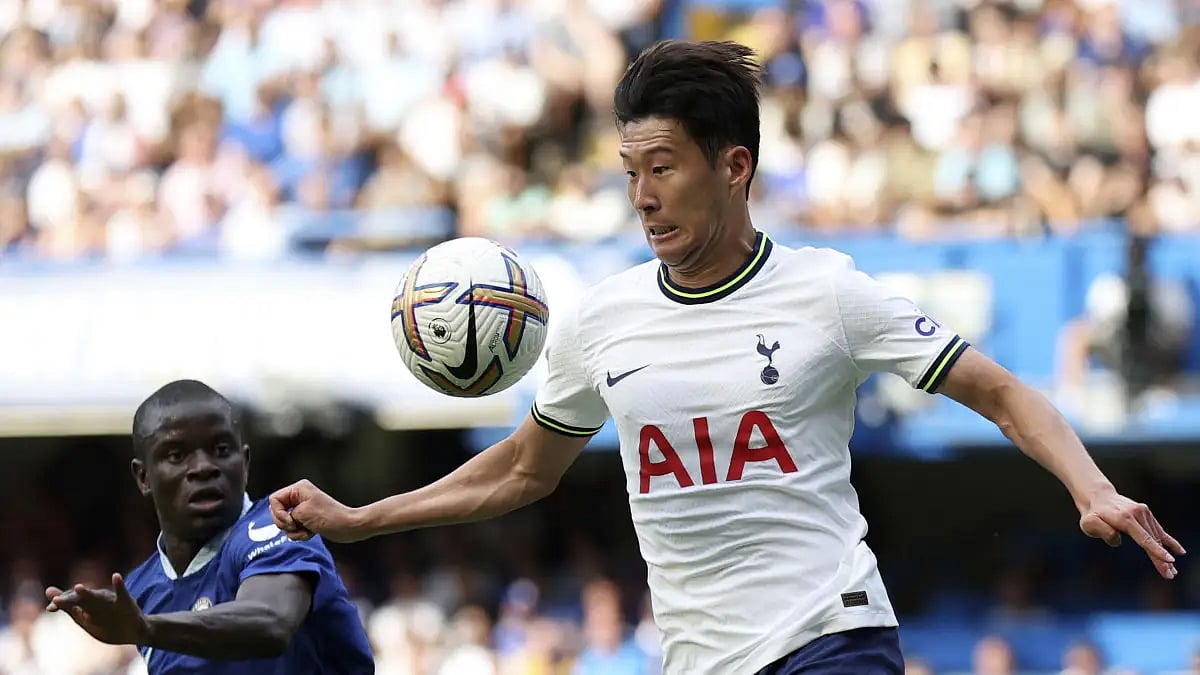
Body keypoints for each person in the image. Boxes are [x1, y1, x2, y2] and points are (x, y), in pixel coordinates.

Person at [268, 41, 1184, 675]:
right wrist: (362, 517)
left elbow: (1002, 390)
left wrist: (1090, 485)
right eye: (630, 172)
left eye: (662, 167)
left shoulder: (827, 292)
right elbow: (520, 468)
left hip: (834, 634)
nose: (642, 196)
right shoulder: (603, 319)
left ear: (734, 166)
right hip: (700, 654)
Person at [45, 379, 375, 674]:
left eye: (221, 450)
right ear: (143, 477)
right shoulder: (142, 590)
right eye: (176, 455)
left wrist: (146, 628)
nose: (203, 468)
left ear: (244, 463)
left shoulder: (279, 526)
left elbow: (270, 623)